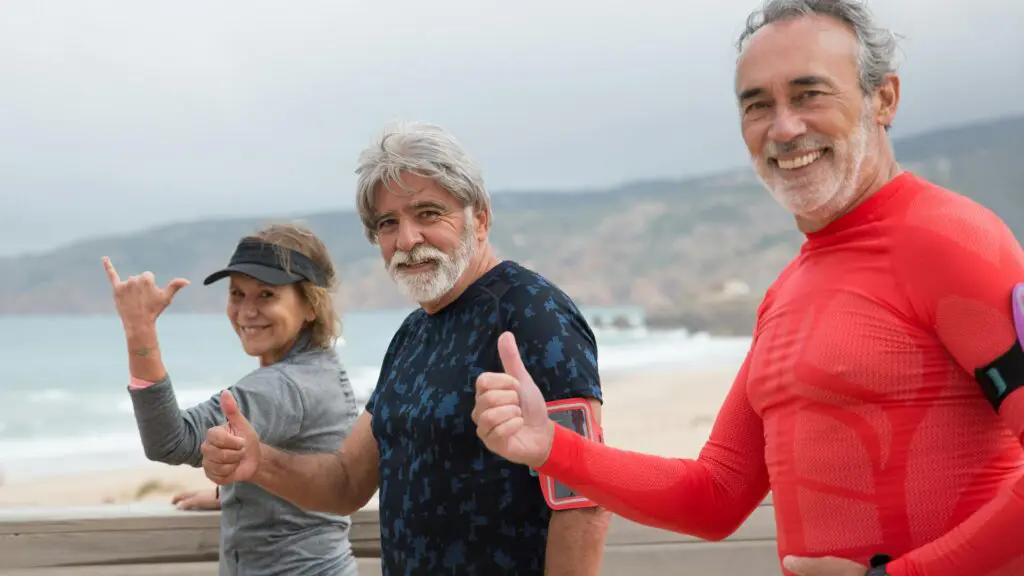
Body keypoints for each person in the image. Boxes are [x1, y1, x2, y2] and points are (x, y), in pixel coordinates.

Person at [471, 1, 1024, 575]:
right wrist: (551, 447)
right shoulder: (786, 292)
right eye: (758, 105)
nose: (783, 128)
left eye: (809, 94)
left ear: (883, 99)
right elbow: (716, 495)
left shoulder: (955, 242)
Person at [200, 121, 610, 574]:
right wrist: (259, 461)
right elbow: (346, 482)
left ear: (480, 218)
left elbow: (583, 498)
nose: (407, 239)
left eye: (429, 214)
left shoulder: (533, 313)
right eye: (388, 223)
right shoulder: (412, 335)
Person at [103, 223, 360, 576]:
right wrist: (237, 494)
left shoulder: (282, 386)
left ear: (310, 304)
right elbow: (302, 462)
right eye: (237, 293)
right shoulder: (322, 368)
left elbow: (170, 440)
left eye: (266, 295)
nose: (246, 311)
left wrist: (139, 329)